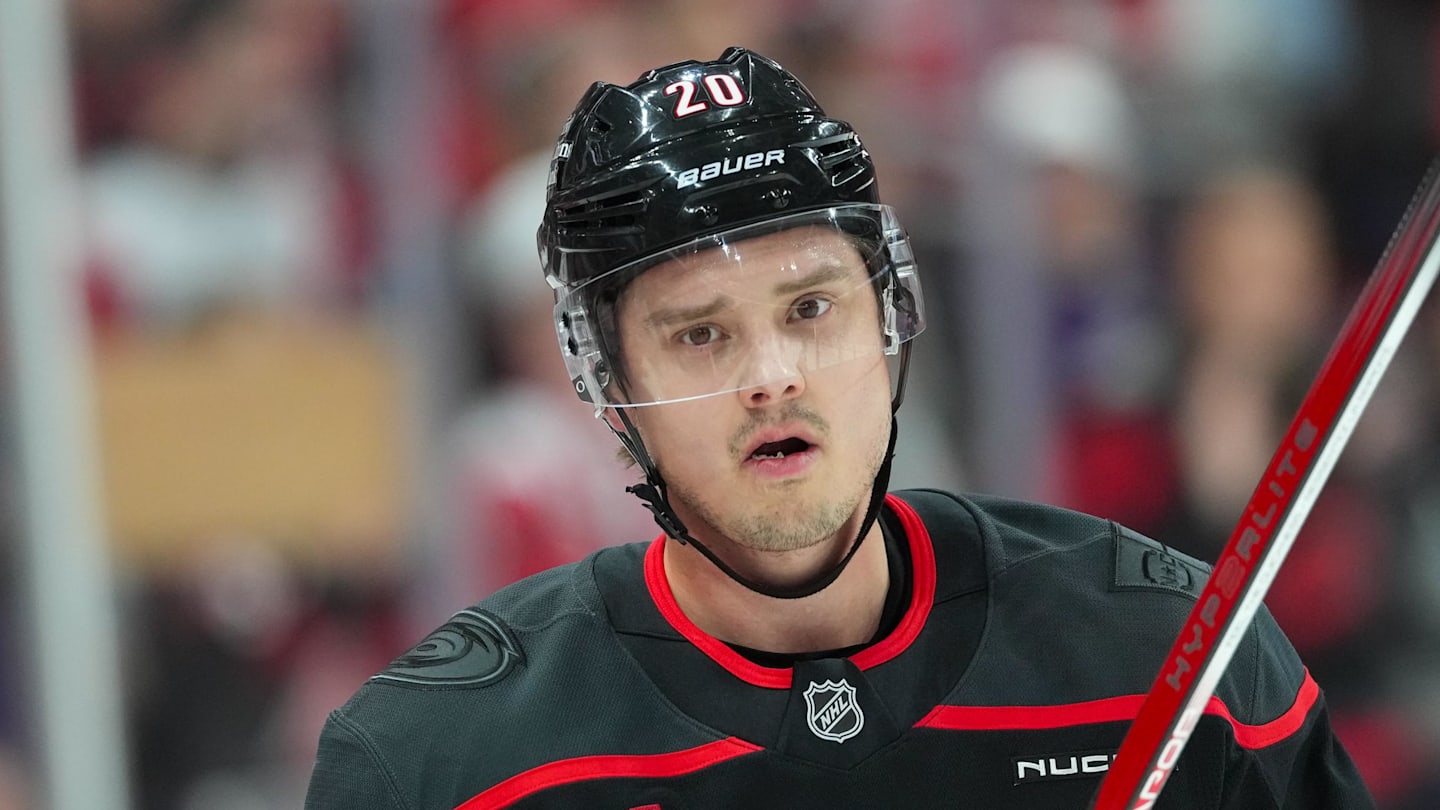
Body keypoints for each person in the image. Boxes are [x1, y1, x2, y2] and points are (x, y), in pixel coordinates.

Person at [305, 47, 1374, 808]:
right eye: (700, 337)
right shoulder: (440, 763)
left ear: (891, 325)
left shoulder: (1174, 658)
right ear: (606, 385)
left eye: (811, 311)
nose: (772, 377)